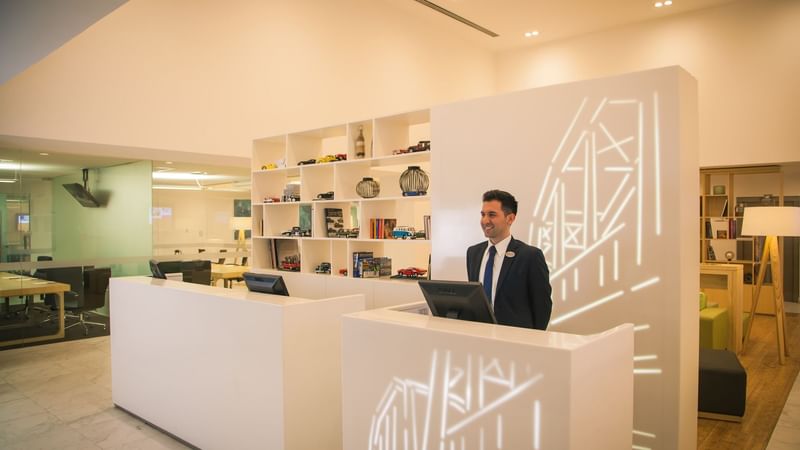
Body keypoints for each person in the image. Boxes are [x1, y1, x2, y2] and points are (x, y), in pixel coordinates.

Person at [466, 190, 552, 330]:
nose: (485, 220)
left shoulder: (530, 256)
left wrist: (534, 340)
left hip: (517, 342)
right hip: (480, 338)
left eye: (492, 215)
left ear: (510, 218)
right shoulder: (473, 253)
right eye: (483, 214)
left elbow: (542, 306)